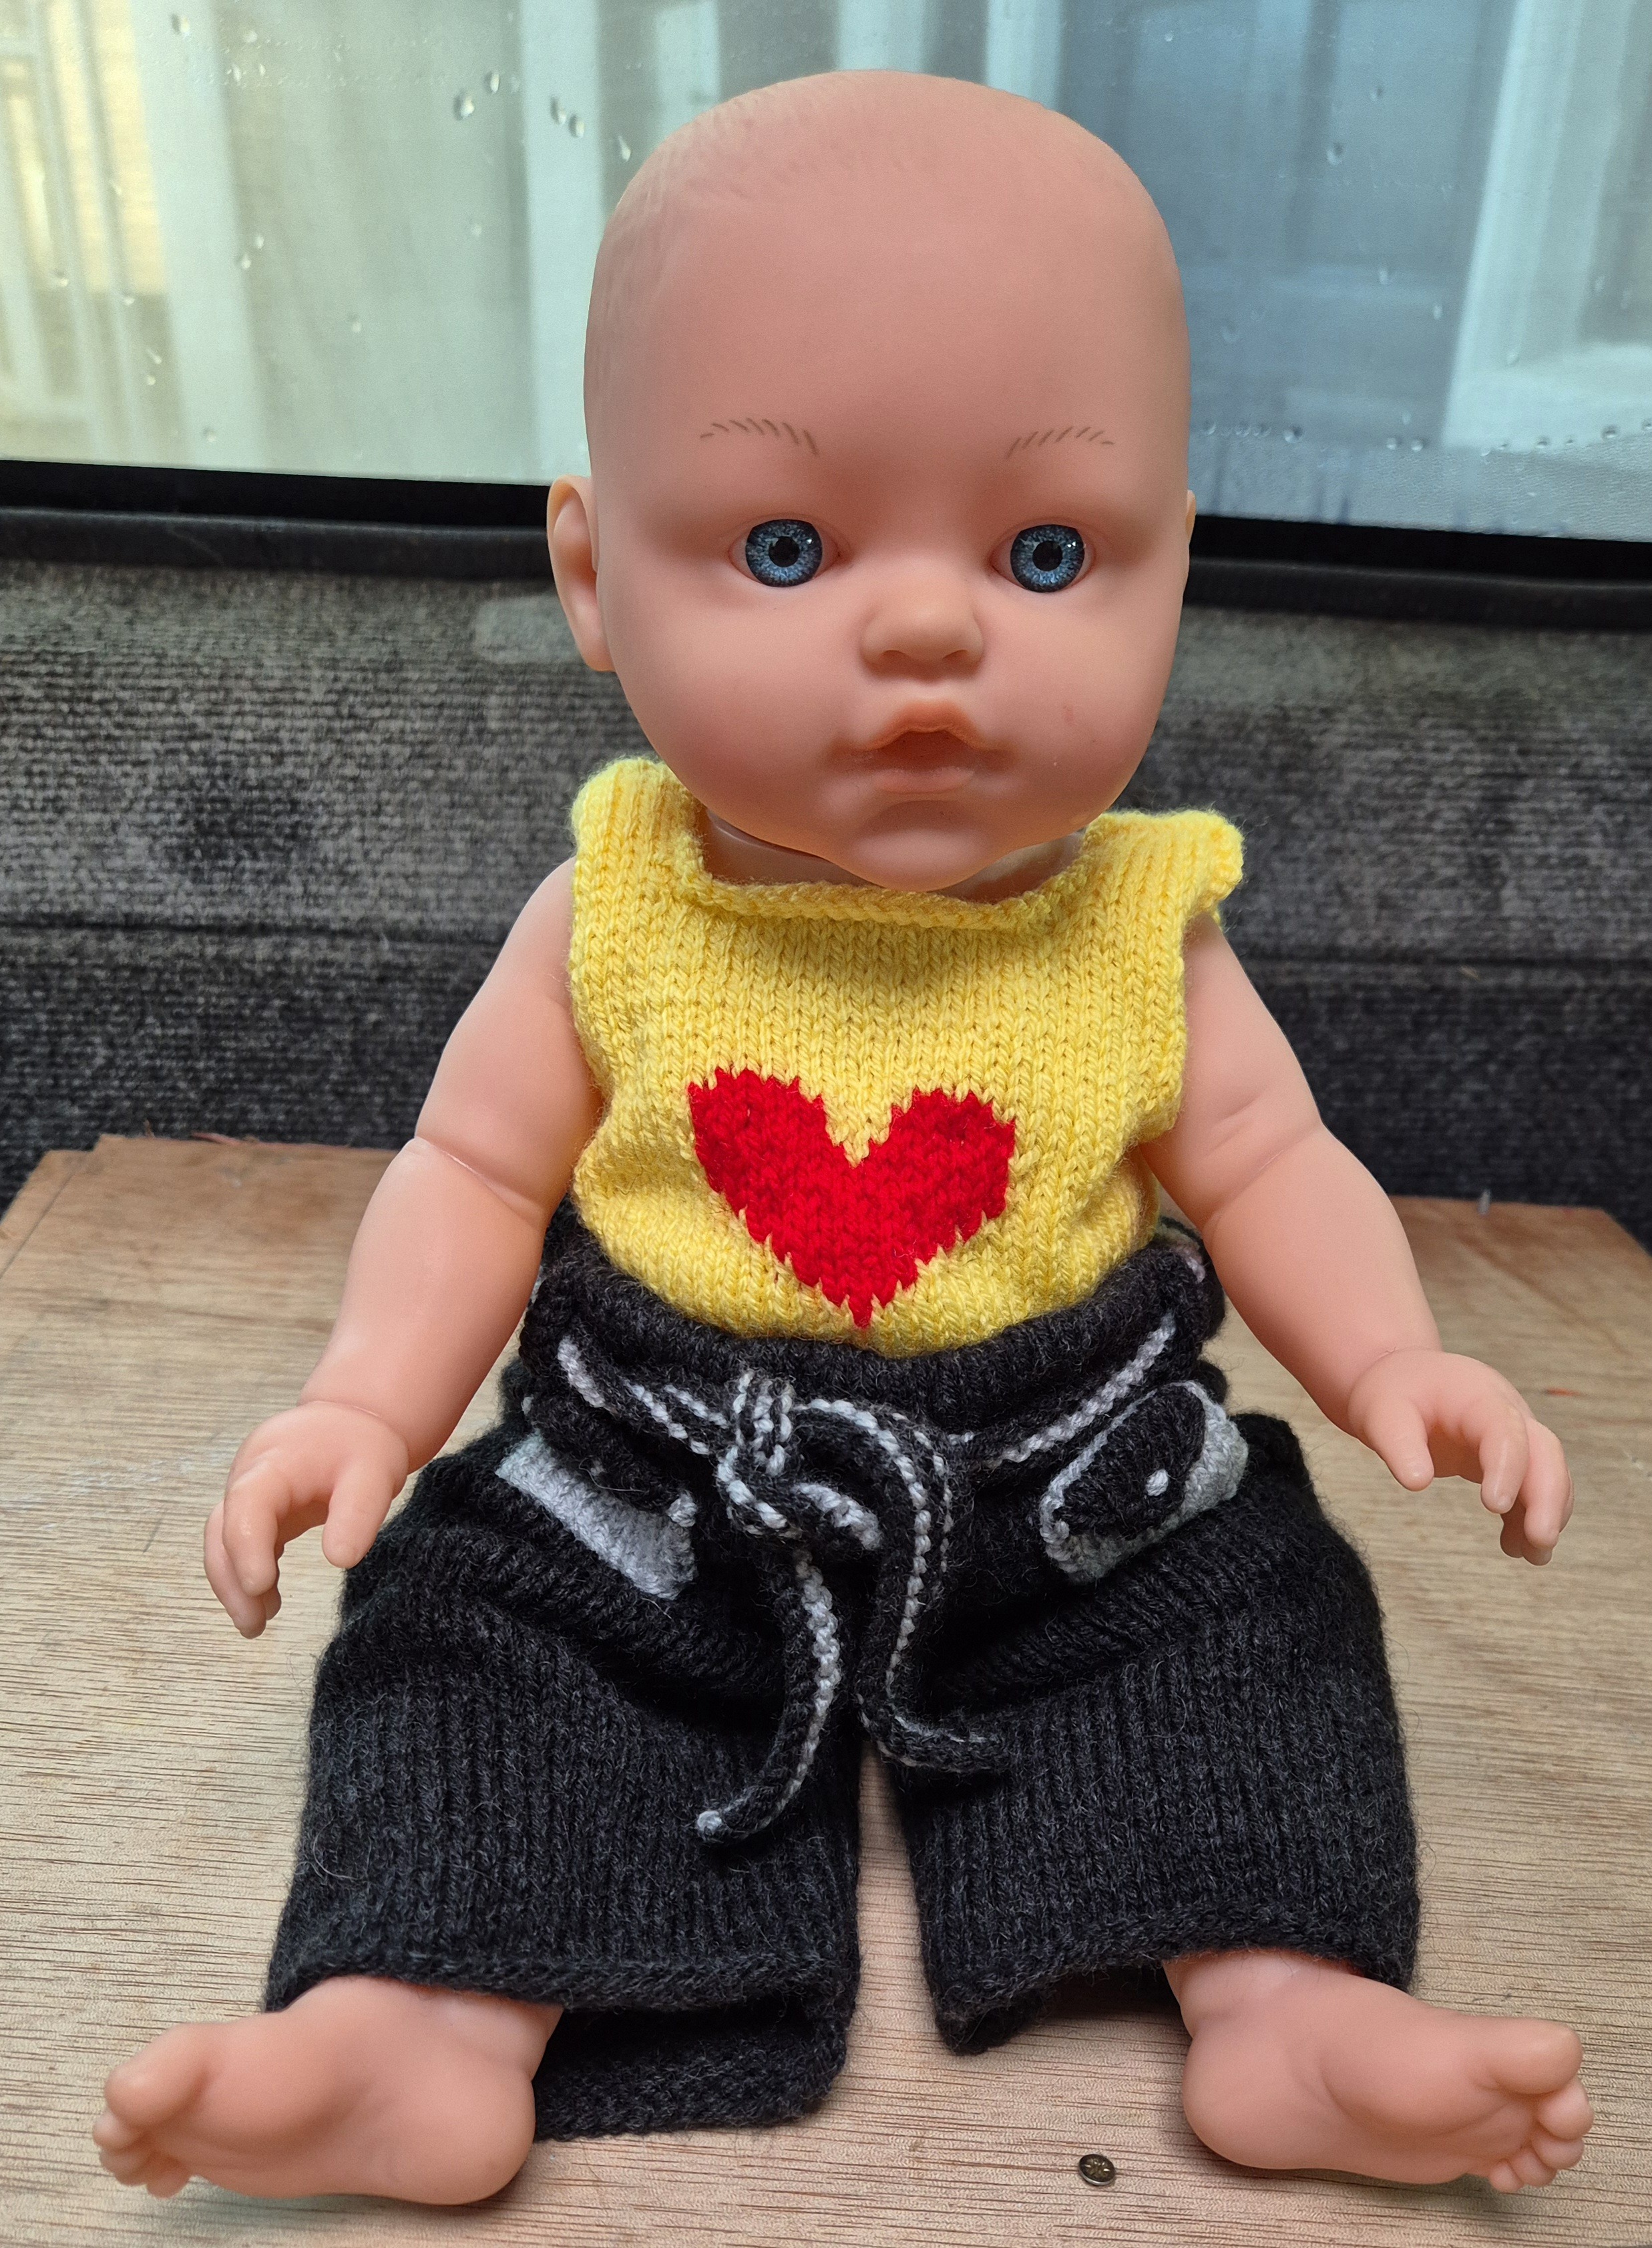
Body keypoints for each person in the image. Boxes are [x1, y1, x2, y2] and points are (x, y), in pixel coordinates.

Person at [94, 70, 1591, 2206]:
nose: (926, 631)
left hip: (1071, 1485)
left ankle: (1291, 2005)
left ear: (1177, 565)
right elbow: (476, 1174)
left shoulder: (1138, 922)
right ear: (591, 574)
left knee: (1255, 1617)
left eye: (1046, 554)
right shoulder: (618, 909)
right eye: (784, 549)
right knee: (465, 1637)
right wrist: (364, 1398)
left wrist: (1390, 1360)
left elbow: (1271, 1160)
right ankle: (416, 2022)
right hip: (657, 1478)